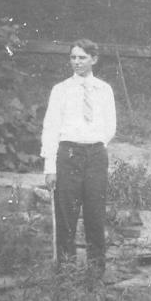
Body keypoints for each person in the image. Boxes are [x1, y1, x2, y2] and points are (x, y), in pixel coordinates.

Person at [41, 39, 116, 276]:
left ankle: (96, 272)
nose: (76, 62)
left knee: (95, 214)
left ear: (94, 59)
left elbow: (110, 125)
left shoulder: (104, 89)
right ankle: (67, 271)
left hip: (95, 155)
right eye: (73, 57)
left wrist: (94, 144)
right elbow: (51, 128)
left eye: (82, 57)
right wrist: (50, 166)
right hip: (68, 155)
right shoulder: (60, 90)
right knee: (66, 215)